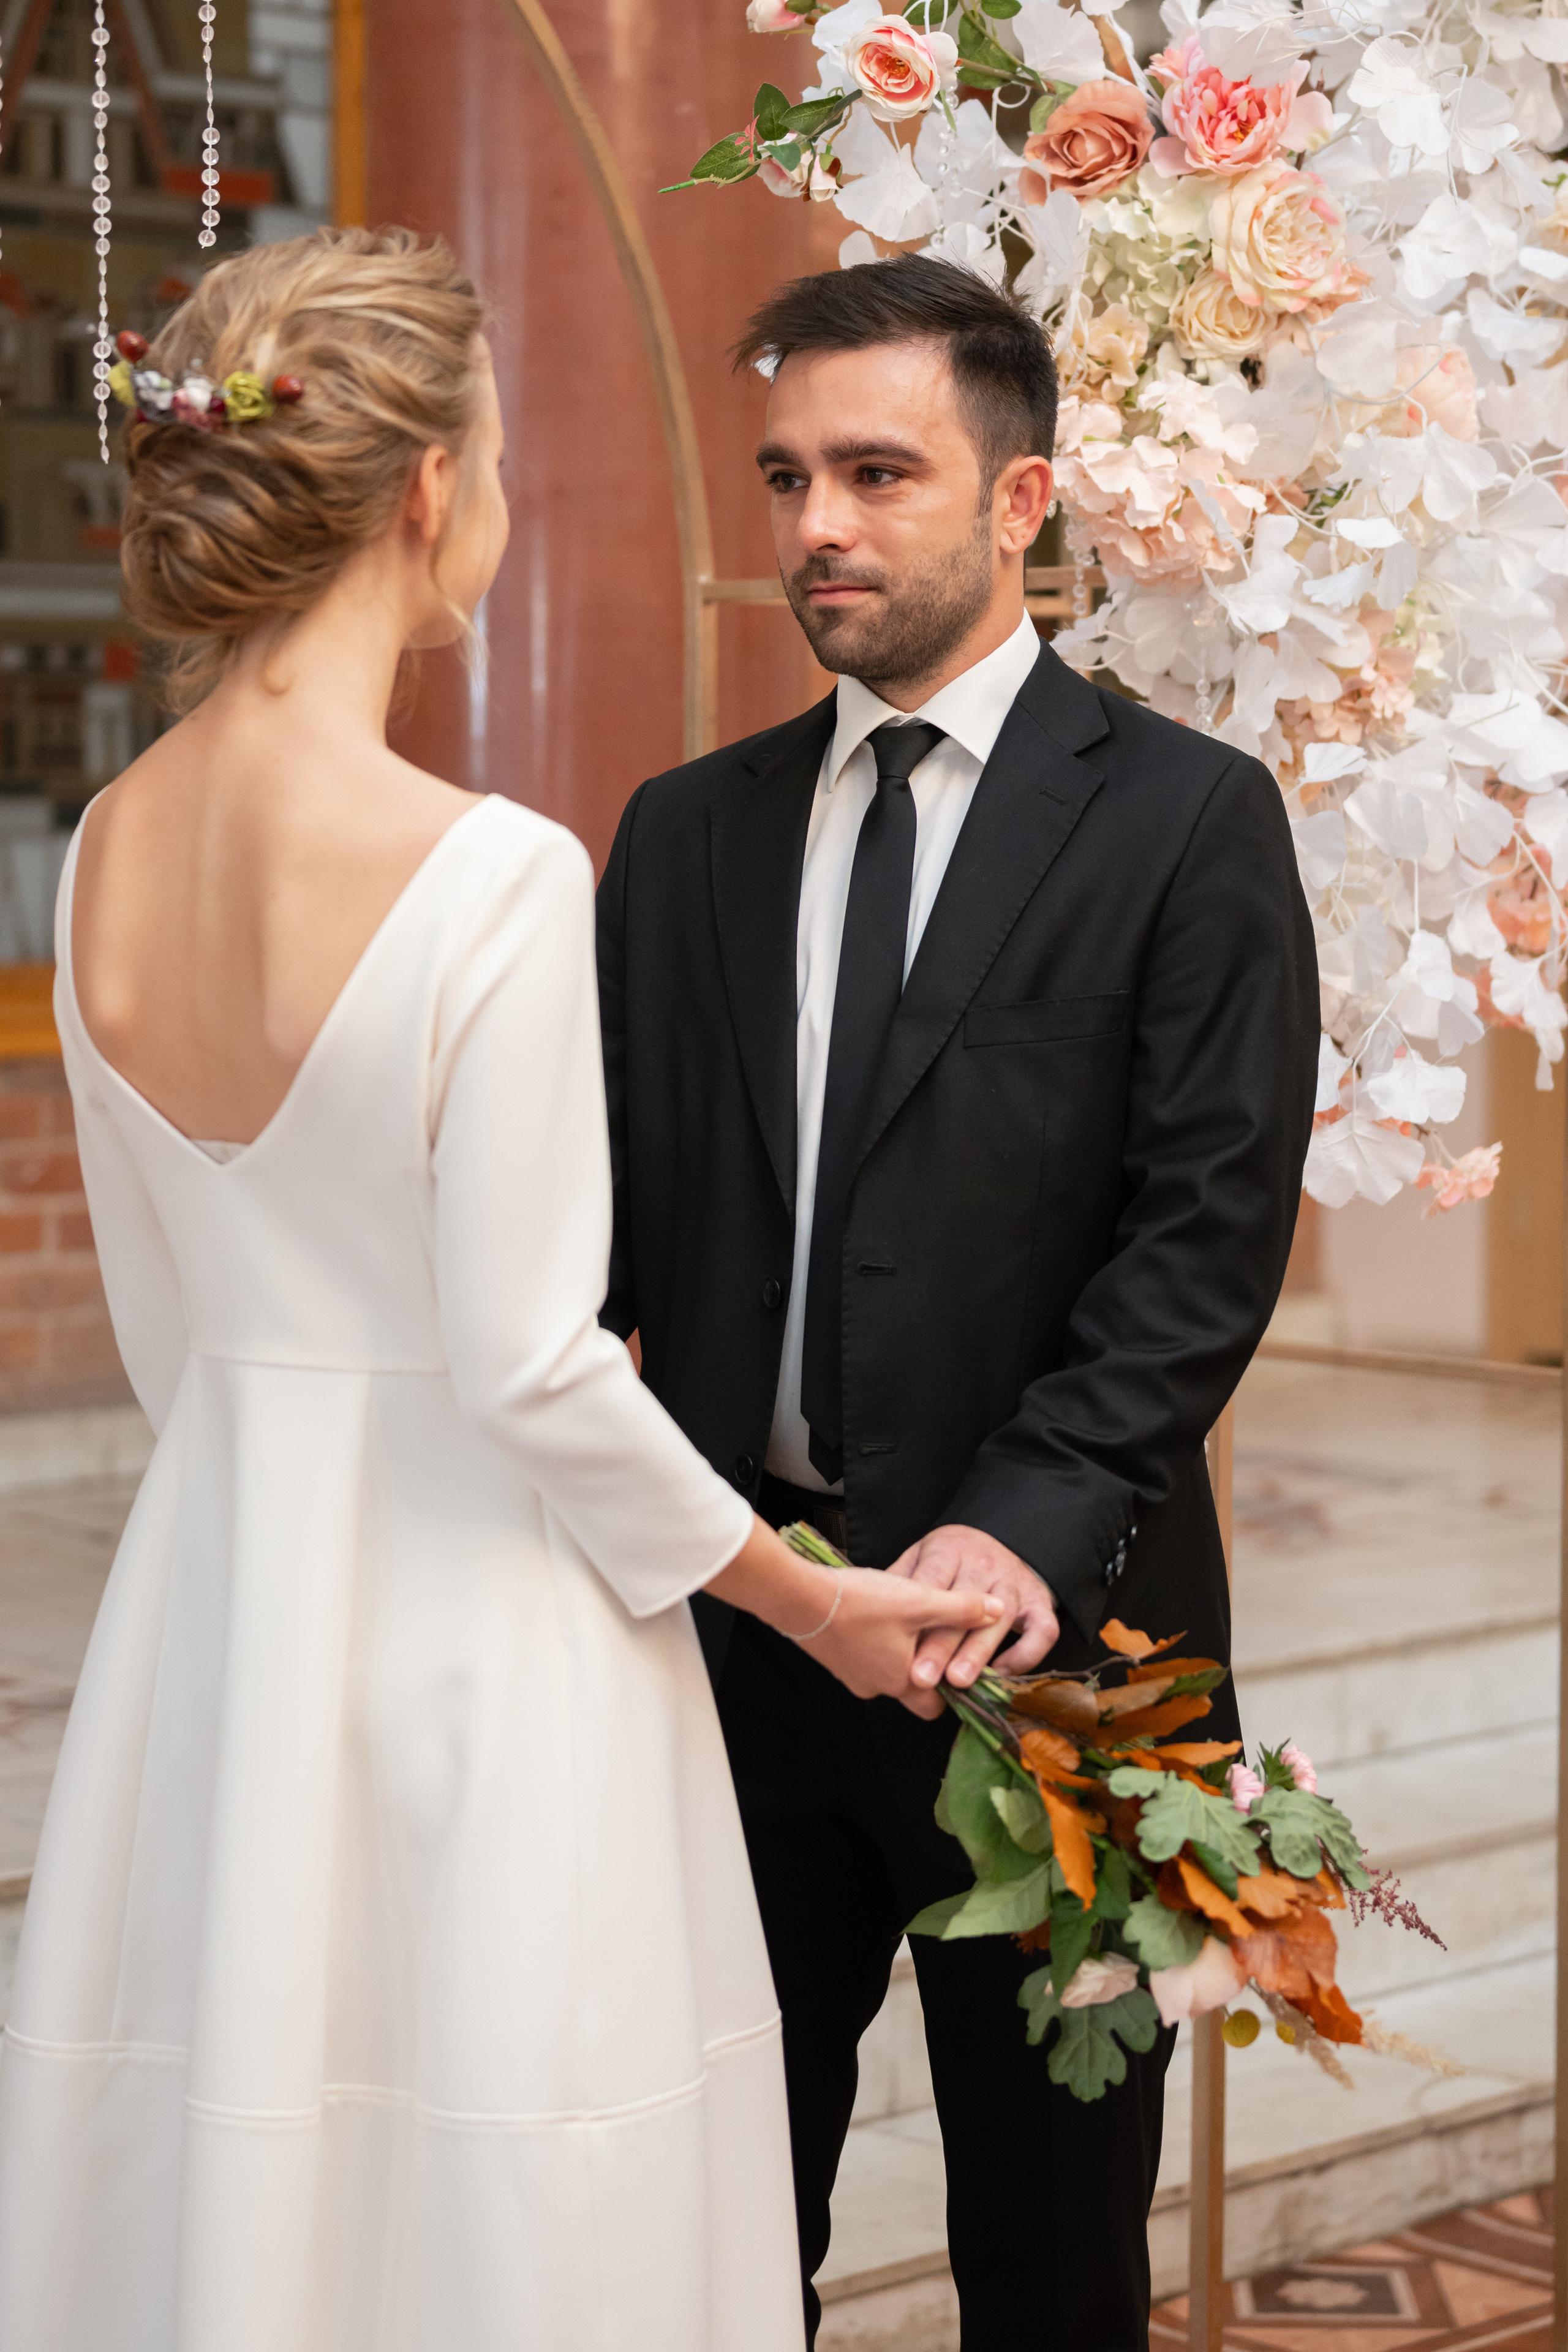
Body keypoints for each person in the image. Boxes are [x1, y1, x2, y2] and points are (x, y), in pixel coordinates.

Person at [0, 227, 996, 2352]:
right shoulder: (490, 870)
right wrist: (812, 1601)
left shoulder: (100, 853)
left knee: (257, 2143)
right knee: (514, 2181)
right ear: (434, 490)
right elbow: (534, 1367)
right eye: (506, 460)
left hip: (223, 1615)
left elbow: (182, 1342)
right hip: (481, 1626)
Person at [597, 254, 1319, 2351]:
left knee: (1053, 2255)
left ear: (1021, 500)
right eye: (790, 473)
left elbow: (1204, 1234)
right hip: (743, 1657)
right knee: (719, 2232)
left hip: (1068, 1669)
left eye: (880, 473)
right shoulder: (679, 839)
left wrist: (1020, 1516)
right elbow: (619, 1239)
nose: (818, 524)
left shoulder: (1190, 821)